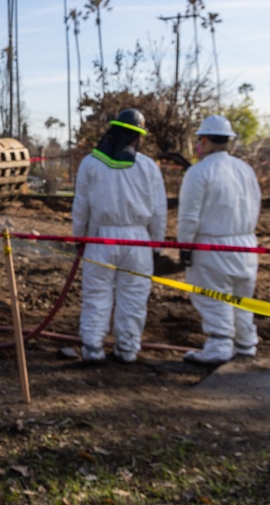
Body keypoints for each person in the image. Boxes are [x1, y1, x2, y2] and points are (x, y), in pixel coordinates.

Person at [72, 108, 168, 363]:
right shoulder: (148, 167)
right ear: (137, 137)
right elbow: (159, 211)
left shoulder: (90, 164)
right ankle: (127, 349)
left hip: (100, 240)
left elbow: (81, 207)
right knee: (134, 296)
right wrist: (157, 246)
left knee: (96, 294)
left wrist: (79, 239)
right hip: (139, 242)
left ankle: (92, 347)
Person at [178, 114, 262, 364]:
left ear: (203, 140)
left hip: (212, 246)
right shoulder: (245, 169)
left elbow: (189, 215)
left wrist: (185, 246)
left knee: (214, 298)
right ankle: (246, 343)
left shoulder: (199, 171)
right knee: (241, 299)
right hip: (246, 246)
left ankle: (219, 347)